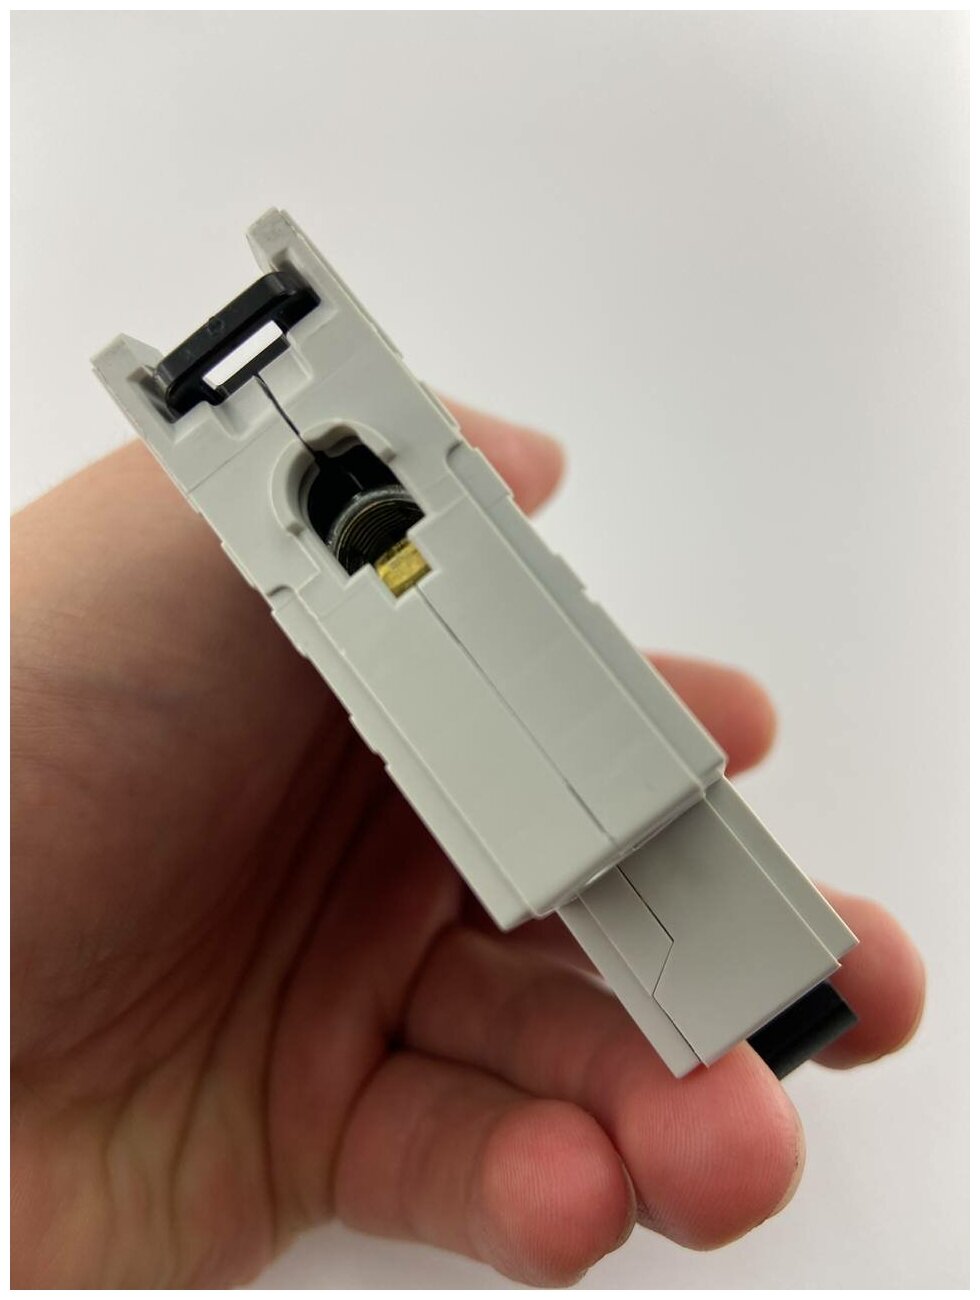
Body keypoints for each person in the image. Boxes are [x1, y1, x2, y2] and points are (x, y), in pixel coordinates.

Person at [10, 402, 925, 1288]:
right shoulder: (331, 552)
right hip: (528, 797)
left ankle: (777, 1011)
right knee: (653, 922)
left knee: (702, 890)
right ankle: (763, 1016)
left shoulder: (393, 501)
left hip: (605, 761)